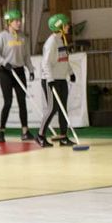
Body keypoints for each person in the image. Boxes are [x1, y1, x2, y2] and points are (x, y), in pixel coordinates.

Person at [0, 9, 36, 143]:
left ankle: (25, 132)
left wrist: (31, 70)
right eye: (16, 21)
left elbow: (26, 56)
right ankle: (1, 132)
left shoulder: (23, 37)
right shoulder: (2, 37)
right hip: (6, 72)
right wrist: (4, 62)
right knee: (8, 102)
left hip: (20, 71)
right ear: (9, 22)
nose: (19, 23)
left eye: (20, 20)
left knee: (22, 102)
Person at [36, 14, 76, 148]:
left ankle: (63, 137)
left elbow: (64, 59)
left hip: (61, 79)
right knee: (51, 108)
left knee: (63, 108)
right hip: (50, 80)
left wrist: (70, 72)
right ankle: (40, 135)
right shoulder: (51, 42)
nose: (68, 26)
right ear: (59, 26)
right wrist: (50, 80)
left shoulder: (62, 39)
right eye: (66, 24)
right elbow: (45, 64)